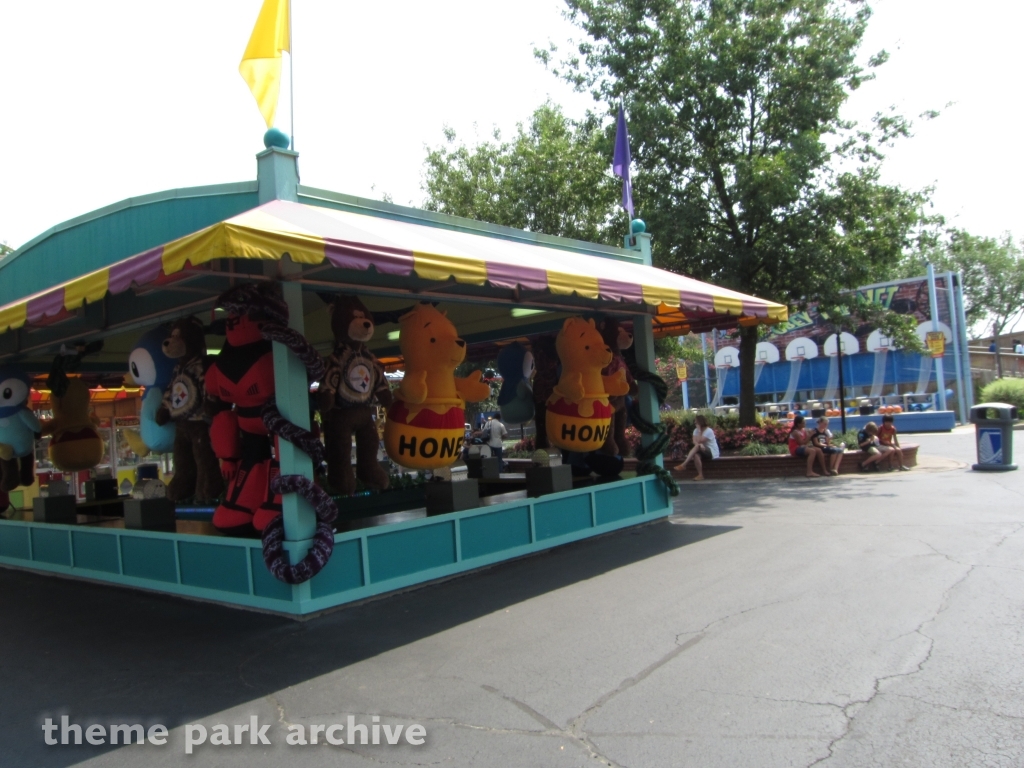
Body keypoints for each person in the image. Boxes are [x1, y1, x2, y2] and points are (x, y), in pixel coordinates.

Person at [674, 414, 719, 481]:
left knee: (697, 446)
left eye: (696, 421)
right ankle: (700, 475)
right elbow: (694, 441)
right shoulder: (695, 430)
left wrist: (699, 431)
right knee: (696, 455)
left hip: (711, 451)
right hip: (701, 450)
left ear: (700, 422)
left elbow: (699, 440)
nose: (695, 423)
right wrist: (700, 445)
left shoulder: (709, 431)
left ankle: (684, 464)